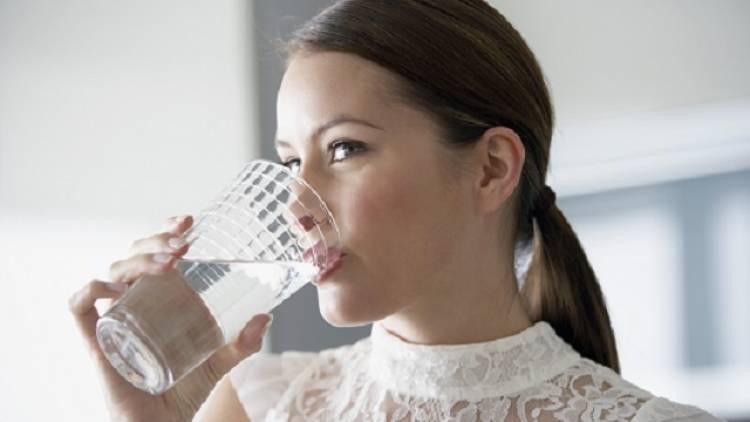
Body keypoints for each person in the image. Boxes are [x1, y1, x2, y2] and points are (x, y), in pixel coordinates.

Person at [69, 1, 723, 420]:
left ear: (492, 167)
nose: (297, 201)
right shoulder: (259, 403)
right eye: (290, 163)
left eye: (345, 148)